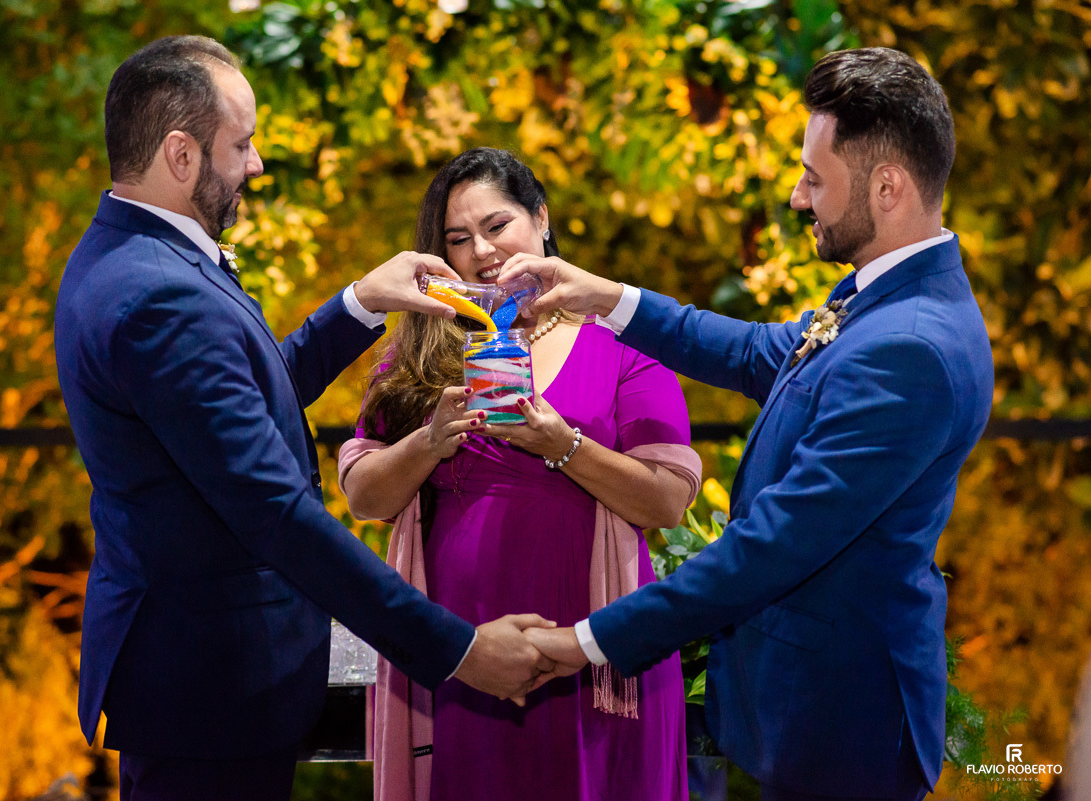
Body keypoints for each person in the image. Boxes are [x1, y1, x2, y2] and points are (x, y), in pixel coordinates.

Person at [54, 37, 556, 801]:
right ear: (181, 155)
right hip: (211, 685)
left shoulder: (125, 254)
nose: (255, 164)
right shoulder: (160, 297)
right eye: (243, 144)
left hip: (196, 676)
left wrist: (361, 302)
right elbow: (278, 514)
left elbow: (234, 413)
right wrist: (456, 650)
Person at [503, 48, 995, 801]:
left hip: (839, 727)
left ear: (888, 187)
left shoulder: (912, 348)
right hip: (803, 707)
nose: (799, 198)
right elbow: (759, 350)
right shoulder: (887, 299)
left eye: (815, 177)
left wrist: (585, 642)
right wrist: (600, 296)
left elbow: (769, 547)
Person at [339, 148, 701, 801]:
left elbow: (668, 501)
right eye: (458, 239)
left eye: (496, 225)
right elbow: (364, 495)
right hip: (465, 651)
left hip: (595, 650)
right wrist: (429, 441)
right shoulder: (420, 347)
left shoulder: (625, 345)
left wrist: (563, 445)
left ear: (541, 218)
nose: (481, 250)